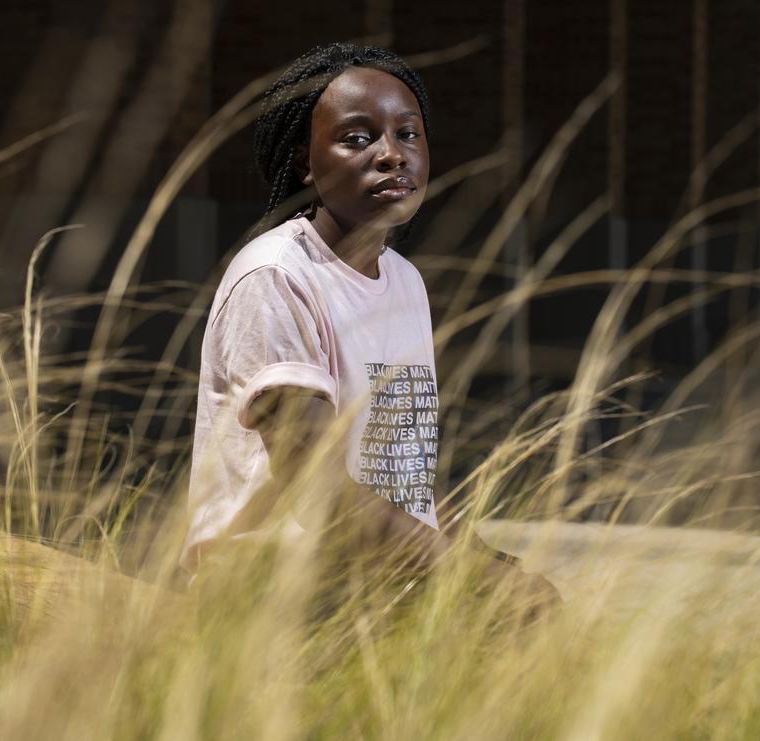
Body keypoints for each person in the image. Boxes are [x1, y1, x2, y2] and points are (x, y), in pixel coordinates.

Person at [182, 42, 555, 603]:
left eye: (408, 134)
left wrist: (479, 555)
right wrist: (469, 578)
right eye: (358, 139)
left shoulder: (404, 281)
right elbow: (319, 493)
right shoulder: (277, 277)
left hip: (367, 573)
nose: (392, 154)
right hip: (267, 585)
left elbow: (398, 477)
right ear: (306, 160)